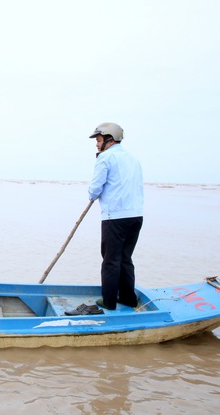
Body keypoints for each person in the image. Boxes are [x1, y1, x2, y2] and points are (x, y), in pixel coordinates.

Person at [87, 122, 144, 311]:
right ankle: (129, 298)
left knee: (110, 260)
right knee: (125, 258)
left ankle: (109, 301)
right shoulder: (133, 159)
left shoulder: (105, 157)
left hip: (115, 217)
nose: (96, 144)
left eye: (99, 139)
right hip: (136, 216)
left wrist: (92, 194)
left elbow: (94, 189)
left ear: (109, 140)